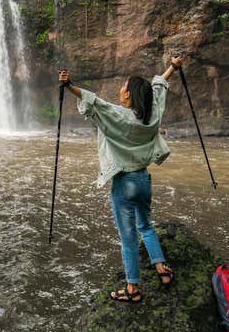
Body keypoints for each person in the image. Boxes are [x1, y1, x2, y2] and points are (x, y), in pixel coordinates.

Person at [58, 56, 183, 304]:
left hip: (124, 184)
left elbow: (93, 101)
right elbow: (157, 89)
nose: (121, 89)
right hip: (144, 180)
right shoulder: (152, 115)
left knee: (127, 238)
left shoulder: (117, 115)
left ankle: (132, 289)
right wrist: (173, 67)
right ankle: (162, 269)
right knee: (145, 226)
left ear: (130, 95)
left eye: (125, 86)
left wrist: (69, 85)